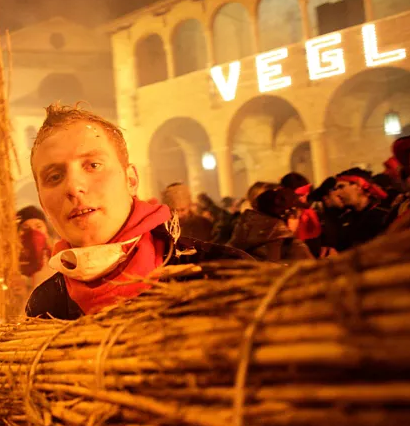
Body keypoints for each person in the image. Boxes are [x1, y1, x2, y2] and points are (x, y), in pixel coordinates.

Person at [25, 104, 248, 320]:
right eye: (54, 177)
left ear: (131, 180)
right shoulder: (45, 308)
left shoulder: (224, 274)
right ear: (43, 204)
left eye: (93, 165)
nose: (73, 187)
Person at [228, 187, 313, 262]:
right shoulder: (294, 248)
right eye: (297, 215)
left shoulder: (236, 239)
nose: (299, 220)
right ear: (287, 215)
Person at [332, 167, 391, 250]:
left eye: (341, 187)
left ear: (359, 186)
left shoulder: (383, 217)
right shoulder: (344, 220)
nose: (337, 193)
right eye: (336, 189)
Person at [17, 206, 55, 292]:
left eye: (38, 226)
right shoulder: (10, 265)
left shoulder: (58, 260)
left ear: (46, 230)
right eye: (25, 228)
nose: (33, 232)